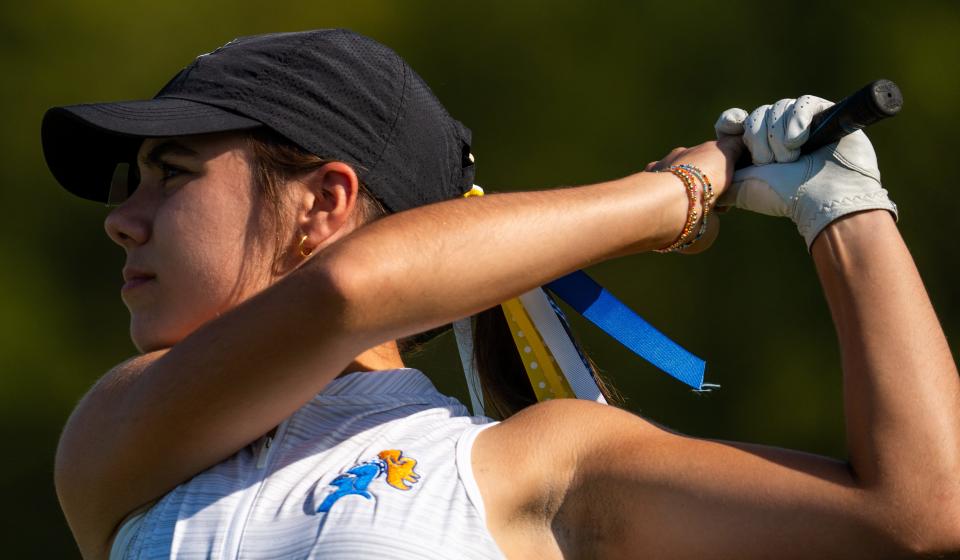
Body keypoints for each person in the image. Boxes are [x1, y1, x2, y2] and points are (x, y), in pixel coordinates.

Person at [42, 29, 960, 559]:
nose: (125, 219)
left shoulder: (533, 460)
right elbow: (353, 290)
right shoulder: (120, 429)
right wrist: (673, 196)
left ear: (322, 203)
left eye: (173, 175)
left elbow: (916, 514)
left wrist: (845, 205)